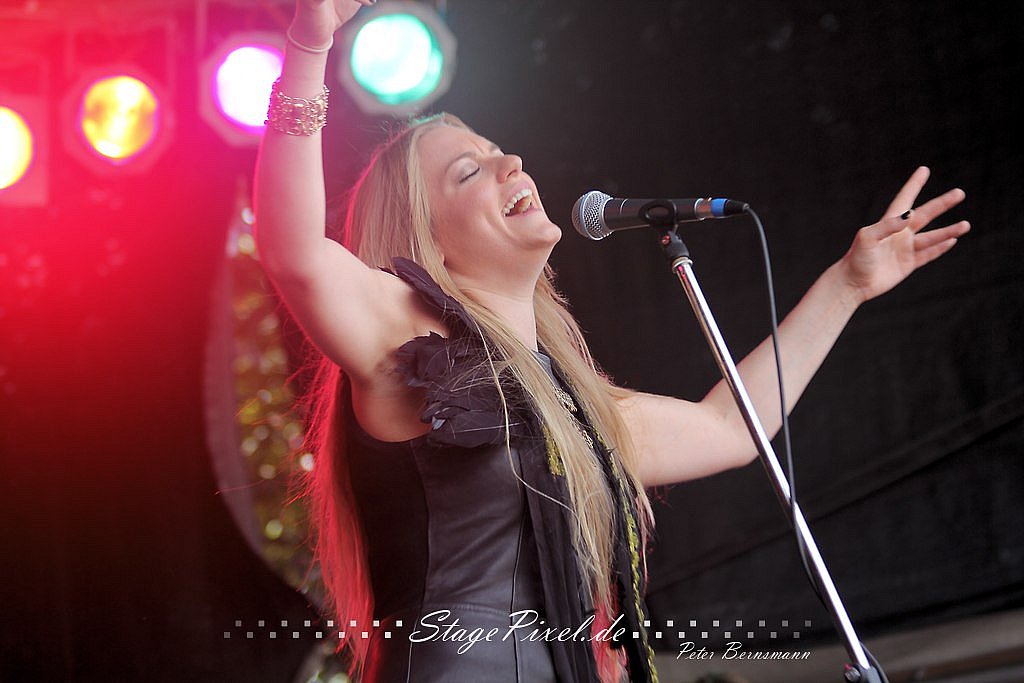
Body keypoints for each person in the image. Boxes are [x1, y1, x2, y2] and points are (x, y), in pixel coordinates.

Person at [254, 1, 970, 681]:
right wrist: (309, 47)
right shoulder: (406, 337)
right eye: (469, 171)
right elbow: (293, 251)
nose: (511, 163)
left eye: (498, 150)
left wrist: (846, 285)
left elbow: (731, 427)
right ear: (426, 240)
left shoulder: (572, 407)